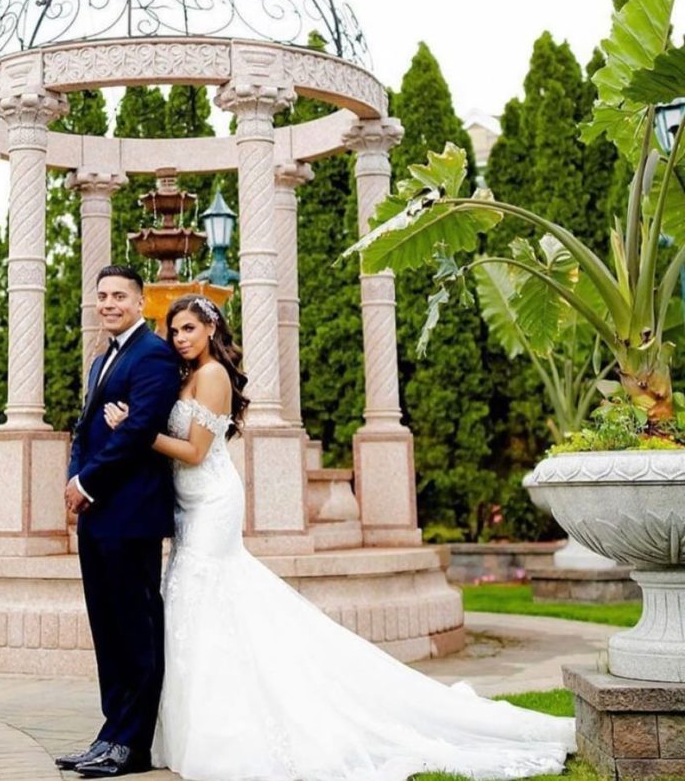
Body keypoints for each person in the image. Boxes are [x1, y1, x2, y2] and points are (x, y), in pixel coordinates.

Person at [102, 294, 577, 781]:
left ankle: (230, 729)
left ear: (211, 328)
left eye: (189, 329)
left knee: (206, 595)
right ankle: (194, 726)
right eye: (175, 331)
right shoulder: (185, 376)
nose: (180, 338)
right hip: (186, 504)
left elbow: (197, 451)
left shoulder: (214, 376)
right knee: (190, 604)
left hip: (211, 501)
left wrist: (136, 433)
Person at [57, 265, 182, 779]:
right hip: (97, 516)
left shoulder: (153, 355)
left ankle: (132, 747)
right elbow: (85, 429)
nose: (108, 303)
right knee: (106, 630)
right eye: (102, 295)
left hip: (131, 516)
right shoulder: (101, 359)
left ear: (140, 302)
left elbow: (138, 432)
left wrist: (87, 484)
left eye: (118, 296)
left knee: (135, 632)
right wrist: (75, 477)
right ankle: (110, 734)